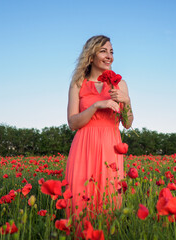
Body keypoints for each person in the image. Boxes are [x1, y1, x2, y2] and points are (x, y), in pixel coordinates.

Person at [65, 35, 133, 232]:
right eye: (104, 51)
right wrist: (96, 105)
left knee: (109, 203)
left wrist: (126, 101)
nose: (109, 56)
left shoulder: (121, 84)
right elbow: (72, 122)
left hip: (110, 148)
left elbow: (127, 123)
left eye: (111, 52)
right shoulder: (78, 83)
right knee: (79, 203)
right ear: (91, 56)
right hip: (83, 148)